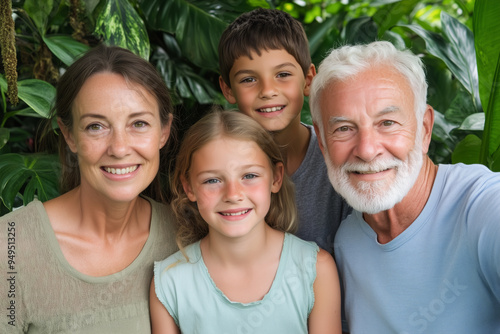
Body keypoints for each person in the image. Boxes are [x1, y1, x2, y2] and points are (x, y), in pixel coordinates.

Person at [309, 41, 500, 333]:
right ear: (322, 143)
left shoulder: (480, 206)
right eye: (344, 128)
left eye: (387, 122)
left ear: (424, 130)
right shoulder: (347, 242)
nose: (367, 150)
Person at [0, 44, 178, 333]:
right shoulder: (9, 246)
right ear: (70, 136)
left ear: (164, 131)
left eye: (139, 123)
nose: (119, 149)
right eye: (96, 126)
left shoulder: (186, 236)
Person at [149, 110, 341, 333]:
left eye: (249, 176)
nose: (233, 194)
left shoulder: (315, 269)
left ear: (276, 177)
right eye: (212, 180)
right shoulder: (170, 282)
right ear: (189, 187)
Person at [218, 8, 351, 254]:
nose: (268, 90)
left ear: (309, 80)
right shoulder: (218, 164)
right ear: (227, 89)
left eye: (283, 74)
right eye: (249, 79)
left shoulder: (338, 157)